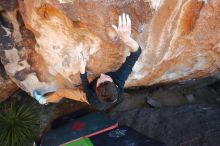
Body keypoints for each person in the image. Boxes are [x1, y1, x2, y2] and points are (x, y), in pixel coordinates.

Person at [33, 13, 142, 110]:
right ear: (116, 85)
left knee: (62, 92)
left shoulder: (92, 98)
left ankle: (45, 101)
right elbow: (136, 53)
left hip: (90, 98)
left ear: (96, 90)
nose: (103, 75)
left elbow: (86, 87)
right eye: (107, 78)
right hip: (109, 98)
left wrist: (82, 70)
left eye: (100, 79)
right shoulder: (120, 79)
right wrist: (127, 39)